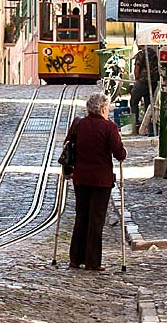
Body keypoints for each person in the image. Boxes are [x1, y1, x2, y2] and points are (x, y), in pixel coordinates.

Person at [68, 92, 127, 271]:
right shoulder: (109, 127)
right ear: (103, 108)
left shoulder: (78, 124)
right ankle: (93, 261)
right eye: (107, 108)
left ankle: (75, 259)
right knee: (96, 219)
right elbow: (119, 154)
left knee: (81, 217)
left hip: (80, 178)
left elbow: (68, 145)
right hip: (101, 180)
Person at [129, 46, 159, 130]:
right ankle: (147, 124)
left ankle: (135, 122)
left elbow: (137, 68)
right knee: (148, 102)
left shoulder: (141, 54)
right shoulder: (153, 52)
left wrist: (136, 79)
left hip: (143, 81)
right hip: (153, 81)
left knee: (134, 100)